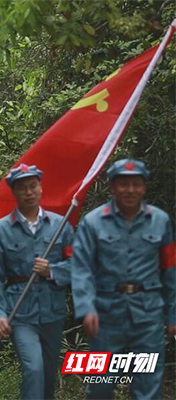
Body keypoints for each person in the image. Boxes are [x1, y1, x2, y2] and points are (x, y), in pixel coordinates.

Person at [71, 159, 176, 399]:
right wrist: (86, 308)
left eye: (136, 184)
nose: (130, 190)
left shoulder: (160, 221)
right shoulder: (92, 222)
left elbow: (170, 270)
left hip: (148, 316)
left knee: (148, 388)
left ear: (144, 187)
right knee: (100, 386)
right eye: (124, 184)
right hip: (105, 315)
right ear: (111, 187)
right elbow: (81, 269)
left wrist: (173, 315)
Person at [0, 164, 73, 400]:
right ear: (14, 192)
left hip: (52, 310)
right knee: (33, 369)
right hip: (19, 311)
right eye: (23, 188)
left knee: (48, 375)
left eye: (33, 186)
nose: (29, 192)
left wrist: (52, 270)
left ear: (41, 188)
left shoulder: (61, 225)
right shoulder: (1, 229)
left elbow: (79, 267)